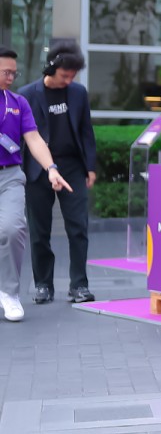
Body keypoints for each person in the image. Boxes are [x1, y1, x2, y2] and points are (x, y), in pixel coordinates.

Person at [19, 44, 98, 304]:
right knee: (39, 231)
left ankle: (79, 285)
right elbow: (23, 137)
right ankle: (43, 285)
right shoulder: (27, 95)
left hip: (72, 167)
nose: (69, 80)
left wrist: (90, 167)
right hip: (37, 169)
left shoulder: (78, 93)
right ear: (51, 68)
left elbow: (86, 132)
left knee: (78, 227)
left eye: (73, 76)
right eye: (65, 75)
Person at [0, 46, 74, 322]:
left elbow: (33, 138)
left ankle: (9, 293)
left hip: (9, 176)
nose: (11, 77)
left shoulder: (18, 103)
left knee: (13, 229)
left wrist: (51, 169)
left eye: (14, 73)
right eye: (6, 72)